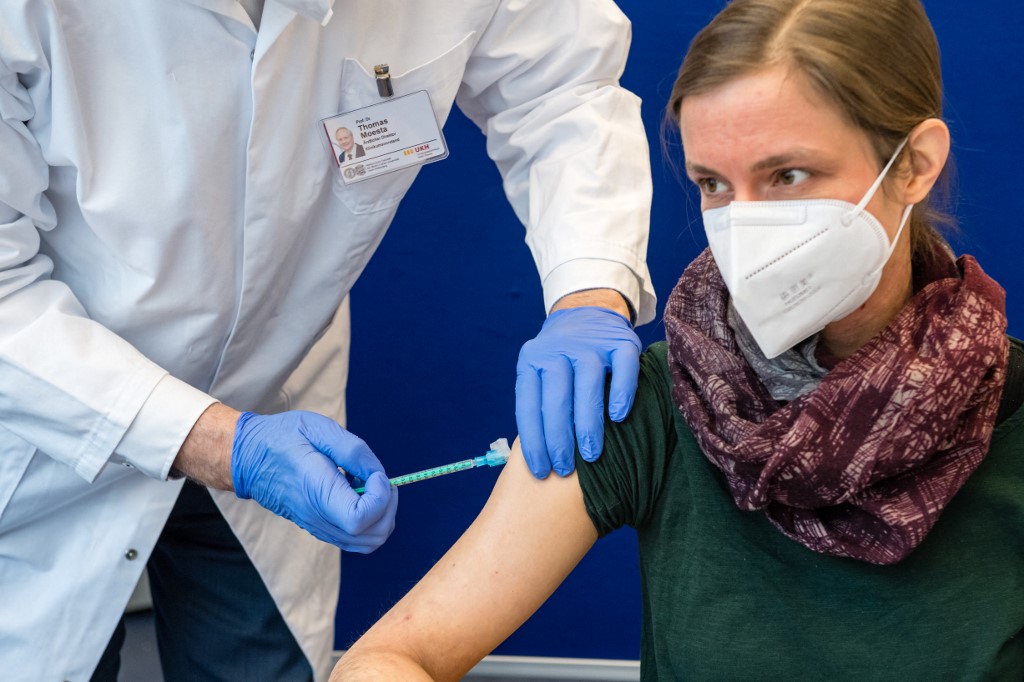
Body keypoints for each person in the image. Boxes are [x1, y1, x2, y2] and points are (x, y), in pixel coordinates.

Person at [334, 0, 1024, 679]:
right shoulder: (656, 404)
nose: (746, 226)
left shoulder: (1011, 419)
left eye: (788, 175)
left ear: (914, 164)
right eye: (714, 184)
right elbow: (389, 659)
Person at [0, 1, 655, 680]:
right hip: (47, 422)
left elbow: (563, 88)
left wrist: (589, 289)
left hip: (271, 388)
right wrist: (230, 447)